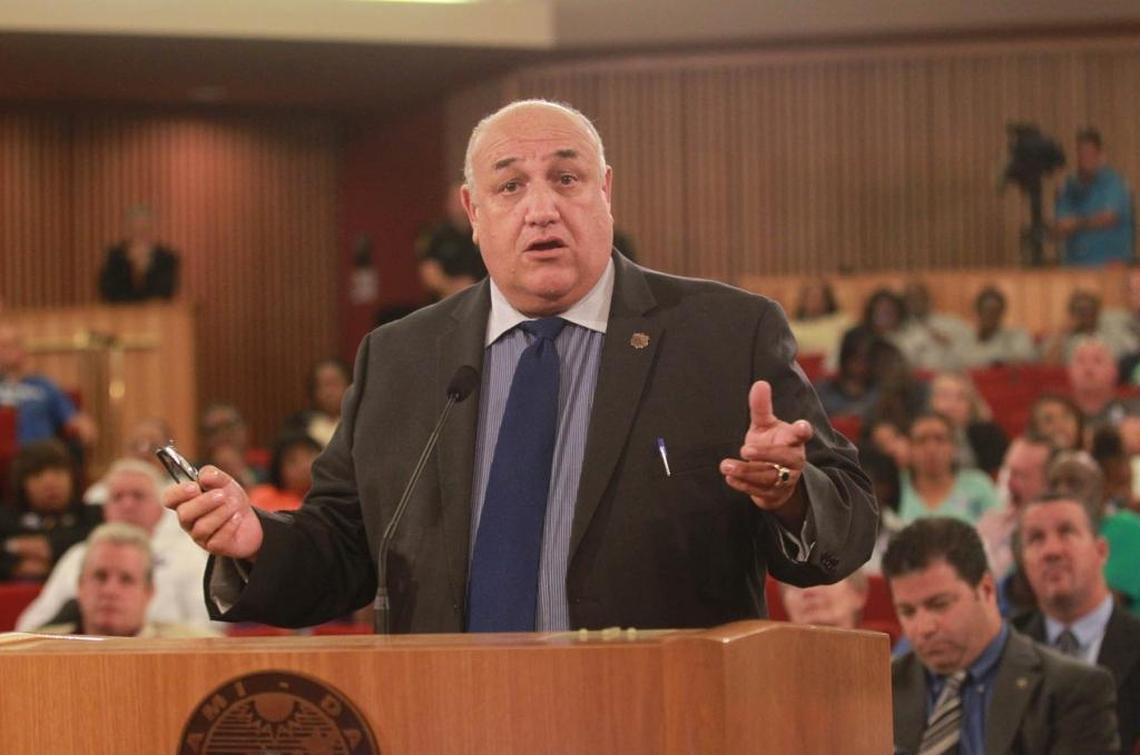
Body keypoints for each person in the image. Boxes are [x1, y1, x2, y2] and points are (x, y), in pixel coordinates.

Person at [165, 99, 878, 634]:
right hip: (447, 723)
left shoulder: (725, 335)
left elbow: (845, 529)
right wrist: (256, 540)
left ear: (605, 191)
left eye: (566, 178)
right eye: (510, 187)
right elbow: (348, 545)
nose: (541, 208)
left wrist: (788, 490)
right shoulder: (402, 358)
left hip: (659, 721)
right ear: (473, 213)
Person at [884, 517, 1120, 755]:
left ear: (986, 589)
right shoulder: (882, 687)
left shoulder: (1071, 690)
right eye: (907, 611)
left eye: (939, 604)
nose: (923, 627)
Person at [16, 459, 212, 632]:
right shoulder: (78, 555)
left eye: (138, 496)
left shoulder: (187, 553)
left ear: (161, 507)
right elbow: (31, 626)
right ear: (105, 509)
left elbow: (209, 624)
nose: (127, 505)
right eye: (117, 497)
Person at [1013, 493, 1139, 753]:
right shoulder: (1005, 651)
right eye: (1036, 539)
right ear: (1024, 562)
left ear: (1101, 551)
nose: (1051, 551)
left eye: (1067, 532)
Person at [36, 523, 214, 638]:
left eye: (126, 580)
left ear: (149, 592)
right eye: (100, 576)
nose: (110, 591)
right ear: (80, 586)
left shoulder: (192, 649)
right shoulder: (36, 650)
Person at [0, 440, 101, 580]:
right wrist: (15, 566)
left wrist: (49, 548)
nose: (50, 483)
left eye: (59, 473)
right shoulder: (5, 519)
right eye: (37, 475)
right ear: (22, 484)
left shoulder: (94, 516)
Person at [0, 323, 96, 448]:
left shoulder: (43, 386)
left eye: (14, 344)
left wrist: (83, 426)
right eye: (3, 346)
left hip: (42, 456)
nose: (8, 351)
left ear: (23, 349)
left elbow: (75, 419)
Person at [897, 413, 999, 526]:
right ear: (909, 447)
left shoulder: (979, 485)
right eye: (921, 440)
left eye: (940, 439)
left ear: (954, 446)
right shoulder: (896, 487)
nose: (931, 449)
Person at [1053, 128, 1134, 267]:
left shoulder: (1114, 183)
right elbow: (1060, 226)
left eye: (1090, 154)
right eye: (1081, 153)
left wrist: (1077, 223)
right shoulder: (1069, 186)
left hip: (1109, 266)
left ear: (1101, 156)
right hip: (1075, 266)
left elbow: (1109, 217)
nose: (1085, 159)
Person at [976, 435, 1052, 581]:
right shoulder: (989, 525)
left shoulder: (1059, 533)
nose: (1010, 484)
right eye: (1009, 472)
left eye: (1021, 476)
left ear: (1048, 481)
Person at [415, 182, 488, 303]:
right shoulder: (436, 235)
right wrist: (453, 287)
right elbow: (429, 272)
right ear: (448, 204)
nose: (460, 205)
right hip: (446, 302)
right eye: (456, 200)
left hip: (483, 299)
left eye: (465, 199)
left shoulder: (485, 232)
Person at [927, 372, 1008, 476]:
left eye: (960, 398)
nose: (952, 404)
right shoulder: (919, 436)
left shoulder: (988, 434)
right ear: (932, 402)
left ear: (971, 405)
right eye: (944, 396)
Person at [98, 204, 180, 303]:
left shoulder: (167, 257)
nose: (140, 233)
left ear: (153, 229)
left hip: (156, 315)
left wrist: (145, 269)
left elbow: (166, 292)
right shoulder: (113, 257)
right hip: (121, 314)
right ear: (127, 230)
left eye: (145, 228)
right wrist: (131, 267)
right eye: (135, 228)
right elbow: (108, 292)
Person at [894, 281, 971, 372]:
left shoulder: (952, 324)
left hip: (949, 378)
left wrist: (948, 344)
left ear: (928, 298)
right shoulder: (901, 333)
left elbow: (969, 355)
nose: (915, 301)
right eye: (910, 298)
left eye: (919, 297)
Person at [280, 358, 351, 449]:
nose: (329, 392)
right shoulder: (297, 424)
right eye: (324, 385)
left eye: (334, 384)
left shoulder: (361, 422)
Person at [959, 286, 1037, 368]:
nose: (990, 316)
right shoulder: (965, 339)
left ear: (1001, 312)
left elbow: (1027, 359)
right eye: (986, 311)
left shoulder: (1016, 337)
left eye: (995, 312)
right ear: (978, 312)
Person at [247, 434, 321, 513]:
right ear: (279, 468)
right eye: (293, 461)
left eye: (309, 455)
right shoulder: (262, 497)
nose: (304, 465)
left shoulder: (330, 498)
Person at [778, 569, 868, 630]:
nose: (808, 591)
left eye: (824, 578)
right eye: (796, 582)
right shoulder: (767, 655)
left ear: (858, 593)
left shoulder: (880, 654)